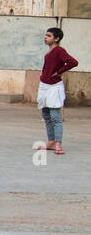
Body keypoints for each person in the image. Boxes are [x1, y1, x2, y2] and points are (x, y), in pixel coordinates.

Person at [36, 26, 78, 155]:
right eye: (46, 35)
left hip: (54, 86)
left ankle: (58, 144)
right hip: (44, 85)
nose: (46, 37)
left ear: (56, 38)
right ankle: (51, 142)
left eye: (49, 36)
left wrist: (58, 73)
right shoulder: (50, 51)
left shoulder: (59, 50)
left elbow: (73, 62)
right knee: (46, 115)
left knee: (55, 116)